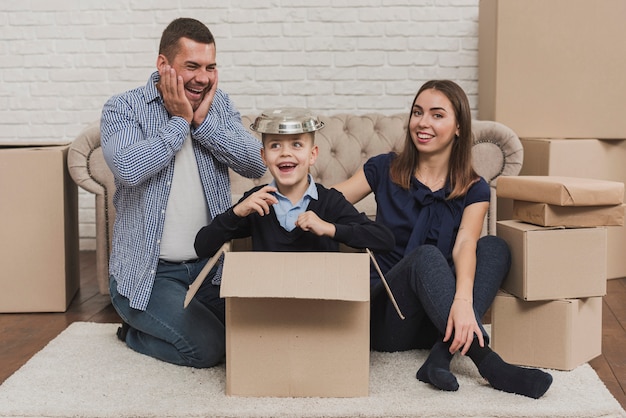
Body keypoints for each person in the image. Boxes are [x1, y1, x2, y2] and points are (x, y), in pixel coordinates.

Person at [333, 80, 553, 399]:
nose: (423, 122)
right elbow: (329, 203)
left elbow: (466, 242)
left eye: (437, 115)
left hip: (439, 318)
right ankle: (489, 363)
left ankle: (441, 355)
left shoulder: (474, 187)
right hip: (389, 319)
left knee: (494, 247)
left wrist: (463, 301)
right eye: (418, 112)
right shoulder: (383, 168)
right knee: (425, 256)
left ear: (459, 126)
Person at [100, 17, 266, 368]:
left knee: (261, 338)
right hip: (149, 275)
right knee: (209, 350)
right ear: (163, 64)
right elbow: (129, 169)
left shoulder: (217, 106)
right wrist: (180, 121)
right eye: (191, 66)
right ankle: (133, 332)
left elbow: (256, 164)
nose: (203, 77)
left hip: (211, 269)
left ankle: (178, 322)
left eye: (210, 67)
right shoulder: (124, 108)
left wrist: (203, 124)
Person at [195, 108, 395, 261]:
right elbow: (202, 246)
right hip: (267, 304)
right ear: (264, 156)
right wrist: (237, 212)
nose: (285, 153)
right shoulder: (257, 202)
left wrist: (329, 228)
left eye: (297, 144)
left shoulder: (329, 202)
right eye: (275, 145)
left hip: (321, 304)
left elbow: (384, 240)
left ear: (312, 155)